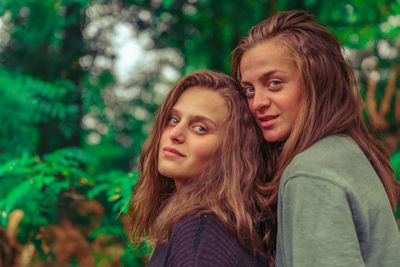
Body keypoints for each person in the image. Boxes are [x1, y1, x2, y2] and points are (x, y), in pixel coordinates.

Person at [231, 10, 400, 266]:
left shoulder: (310, 172)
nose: (257, 103)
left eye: (274, 83)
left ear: (317, 83)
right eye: (249, 89)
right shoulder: (345, 154)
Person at [128, 71, 271, 266]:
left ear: (232, 152)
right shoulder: (211, 223)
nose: (176, 134)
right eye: (174, 120)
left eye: (200, 128)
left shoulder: (201, 233)